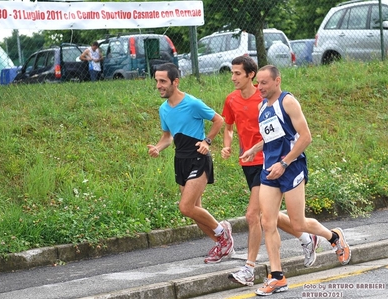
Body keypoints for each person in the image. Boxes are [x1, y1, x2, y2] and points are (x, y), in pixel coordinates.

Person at [240, 65, 351, 296]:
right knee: (267, 221)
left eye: (264, 83)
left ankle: (333, 237)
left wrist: (284, 163)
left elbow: (305, 137)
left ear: (277, 81)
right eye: (258, 83)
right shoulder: (262, 107)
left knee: (297, 223)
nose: (259, 87)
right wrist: (254, 148)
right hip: (270, 168)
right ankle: (277, 276)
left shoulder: (288, 102)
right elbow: (273, 138)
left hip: (291, 167)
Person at [221, 56, 320, 287]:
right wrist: (228, 145)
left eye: (237, 73)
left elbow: (295, 135)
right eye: (232, 73)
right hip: (250, 162)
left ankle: (250, 268)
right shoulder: (233, 100)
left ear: (251, 75)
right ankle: (307, 236)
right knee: (270, 218)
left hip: (270, 162)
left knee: (253, 216)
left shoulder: (270, 97)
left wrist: (283, 161)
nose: (233, 77)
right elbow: (229, 128)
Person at [147, 62, 235, 264]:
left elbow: (219, 120)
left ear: (175, 82)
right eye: (157, 81)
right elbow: (167, 137)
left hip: (198, 158)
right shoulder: (163, 109)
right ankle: (222, 244)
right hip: (181, 160)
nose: (159, 85)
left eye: (163, 81)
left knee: (186, 207)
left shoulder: (192, 103)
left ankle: (223, 233)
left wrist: (207, 141)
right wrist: (158, 148)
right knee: (196, 211)